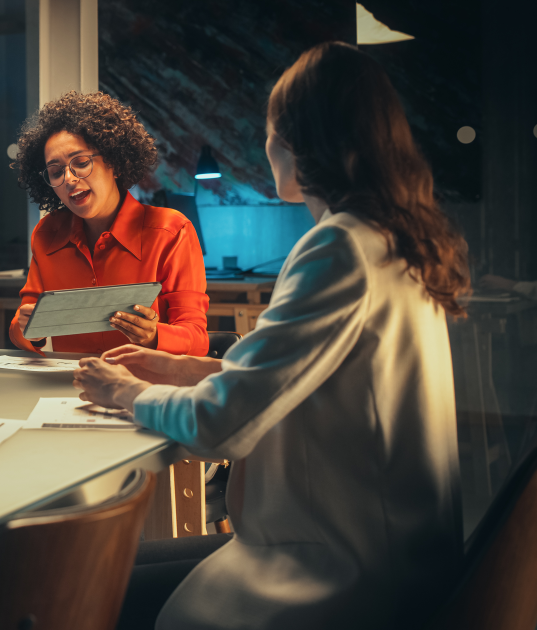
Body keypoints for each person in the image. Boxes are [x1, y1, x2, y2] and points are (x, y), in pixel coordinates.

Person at [73, 43, 469, 629]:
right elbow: (309, 383)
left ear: (299, 140)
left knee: (96, 586)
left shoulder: (339, 248)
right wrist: (181, 369)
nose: (266, 142)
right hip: (392, 555)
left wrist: (121, 392)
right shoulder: (393, 240)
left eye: (270, 126)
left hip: (340, 575)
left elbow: (221, 425)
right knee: (121, 569)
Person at [9, 91, 209, 357]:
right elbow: (21, 327)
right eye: (56, 171)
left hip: (145, 388)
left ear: (113, 161)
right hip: (71, 389)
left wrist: (154, 336)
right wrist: (31, 331)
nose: (69, 179)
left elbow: (197, 339)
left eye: (80, 163)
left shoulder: (172, 231)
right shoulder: (47, 233)